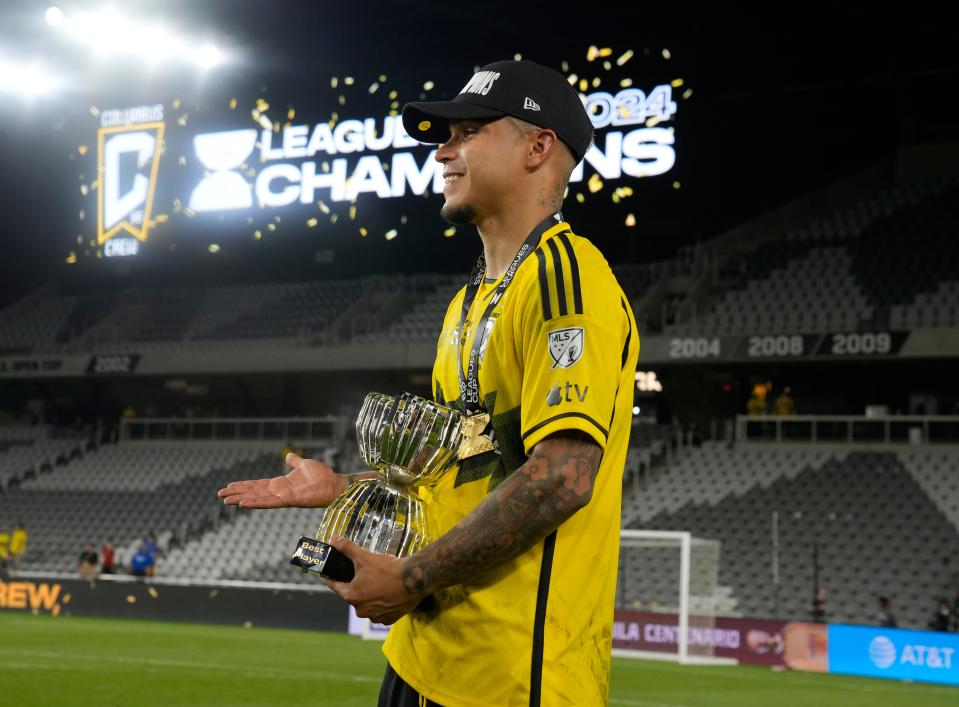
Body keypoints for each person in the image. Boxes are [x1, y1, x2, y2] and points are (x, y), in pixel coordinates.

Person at [219, 59, 639, 707]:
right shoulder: (469, 300)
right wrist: (345, 487)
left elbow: (562, 475)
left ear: (537, 147)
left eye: (468, 130)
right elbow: (470, 467)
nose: (442, 149)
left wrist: (411, 575)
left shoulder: (567, 278)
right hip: (425, 653)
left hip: (509, 675)